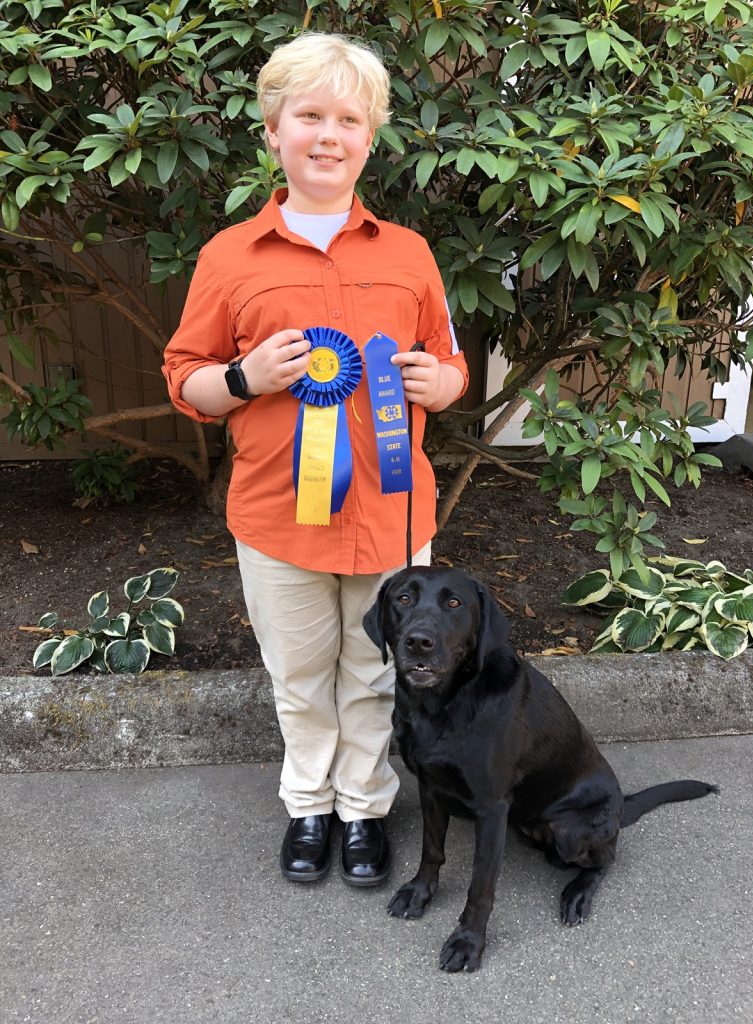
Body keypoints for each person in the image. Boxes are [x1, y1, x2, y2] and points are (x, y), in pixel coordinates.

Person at [162, 31, 468, 888]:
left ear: (369, 137)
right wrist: (243, 375)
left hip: (391, 515)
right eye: (309, 116)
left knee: (376, 675)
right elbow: (186, 381)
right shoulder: (230, 257)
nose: (328, 135)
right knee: (299, 679)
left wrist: (439, 385)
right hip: (276, 518)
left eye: (348, 118)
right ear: (274, 131)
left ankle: (364, 809)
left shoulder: (408, 253)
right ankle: (310, 806)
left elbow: (449, 362)